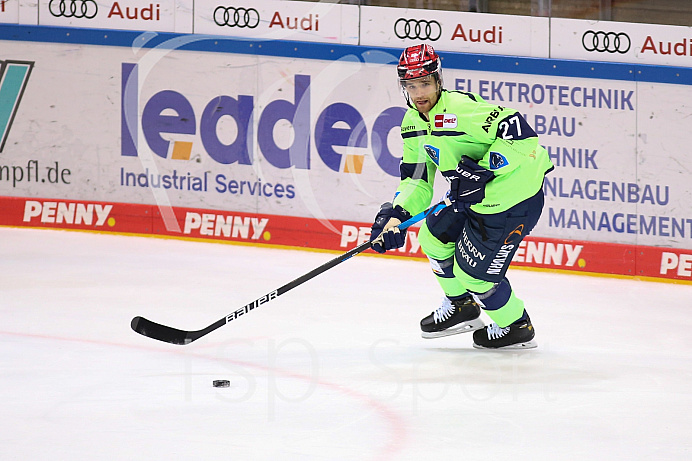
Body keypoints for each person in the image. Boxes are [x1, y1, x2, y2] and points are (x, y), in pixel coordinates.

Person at [369, 44, 554, 349]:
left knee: (476, 277)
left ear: (438, 80)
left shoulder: (460, 109)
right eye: (411, 86)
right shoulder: (413, 124)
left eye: (425, 83)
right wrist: (397, 216)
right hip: (473, 198)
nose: (419, 93)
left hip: (513, 199)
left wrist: (485, 170)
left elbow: (522, 134)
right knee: (432, 237)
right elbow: (417, 180)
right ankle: (463, 308)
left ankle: (517, 325)